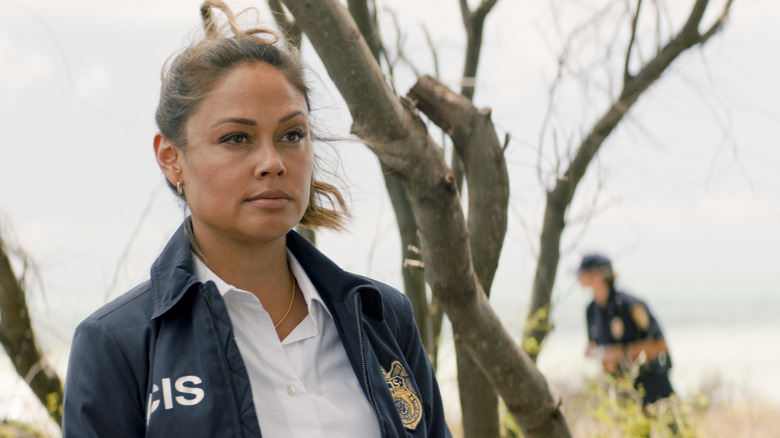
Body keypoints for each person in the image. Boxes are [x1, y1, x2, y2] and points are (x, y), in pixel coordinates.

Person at [62, 1, 451, 437]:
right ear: (171, 159)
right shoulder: (117, 344)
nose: (272, 162)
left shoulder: (381, 315)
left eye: (291, 135)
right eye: (236, 138)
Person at [577, 253, 674, 407]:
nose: (578, 277)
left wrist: (620, 353)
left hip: (653, 385)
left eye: (582, 272)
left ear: (597, 276)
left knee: (674, 429)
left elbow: (660, 346)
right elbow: (594, 346)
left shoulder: (630, 305)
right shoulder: (591, 311)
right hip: (621, 389)